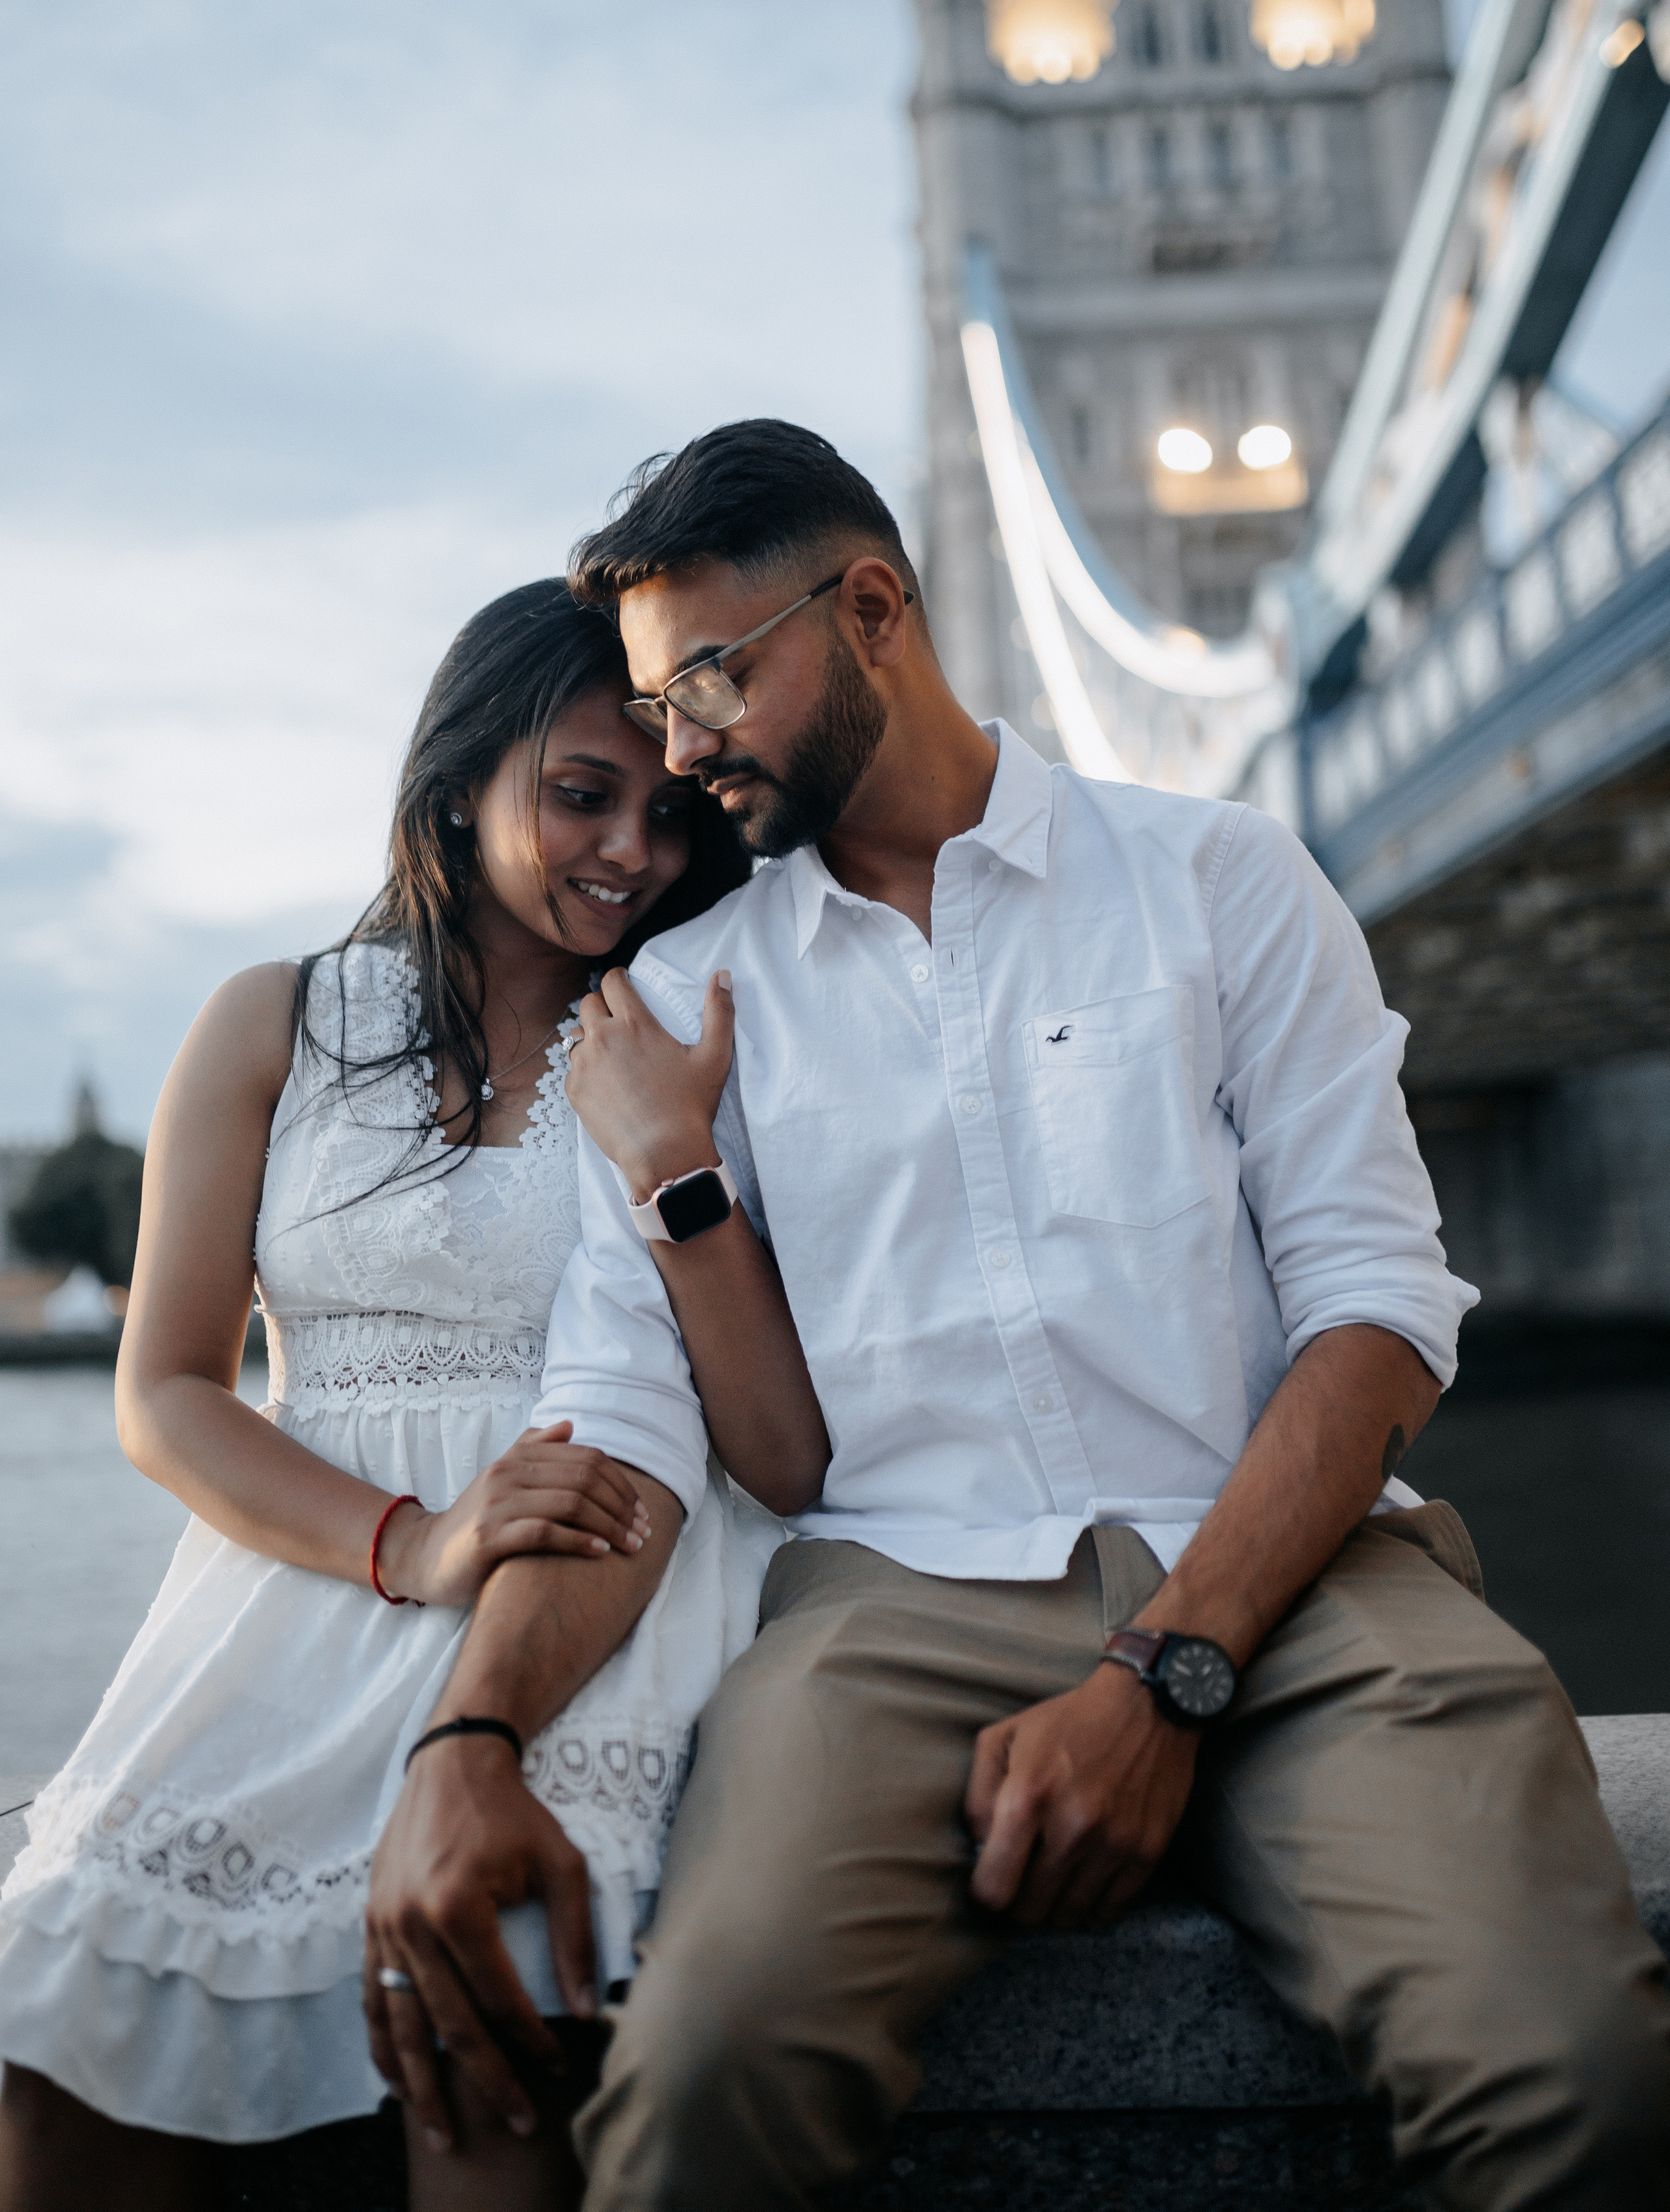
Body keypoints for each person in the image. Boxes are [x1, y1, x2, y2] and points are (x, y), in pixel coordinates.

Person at [367, 421, 1670, 2210]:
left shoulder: (1224, 882)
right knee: (708, 2072)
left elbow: (1376, 1314)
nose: (679, 757)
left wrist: (1165, 1671)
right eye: (656, 711)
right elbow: (625, 1417)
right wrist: (472, 1737)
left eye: (710, 685)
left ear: (877, 608)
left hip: (1305, 1587)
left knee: (1577, 2076)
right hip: (887, 1610)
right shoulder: (675, 1004)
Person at [0, 578, 823, 2212]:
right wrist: (413, 1539)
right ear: (456, 778)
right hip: (305, 1588)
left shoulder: (711, 1025)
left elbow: (775, 1442)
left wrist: (679, 1159)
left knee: (484, 2035)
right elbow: (164, 1391)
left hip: (601, 1580)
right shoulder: (274, 1023)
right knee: (63, 1999)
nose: (631, 854)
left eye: (667, 813)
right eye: (580, 794)